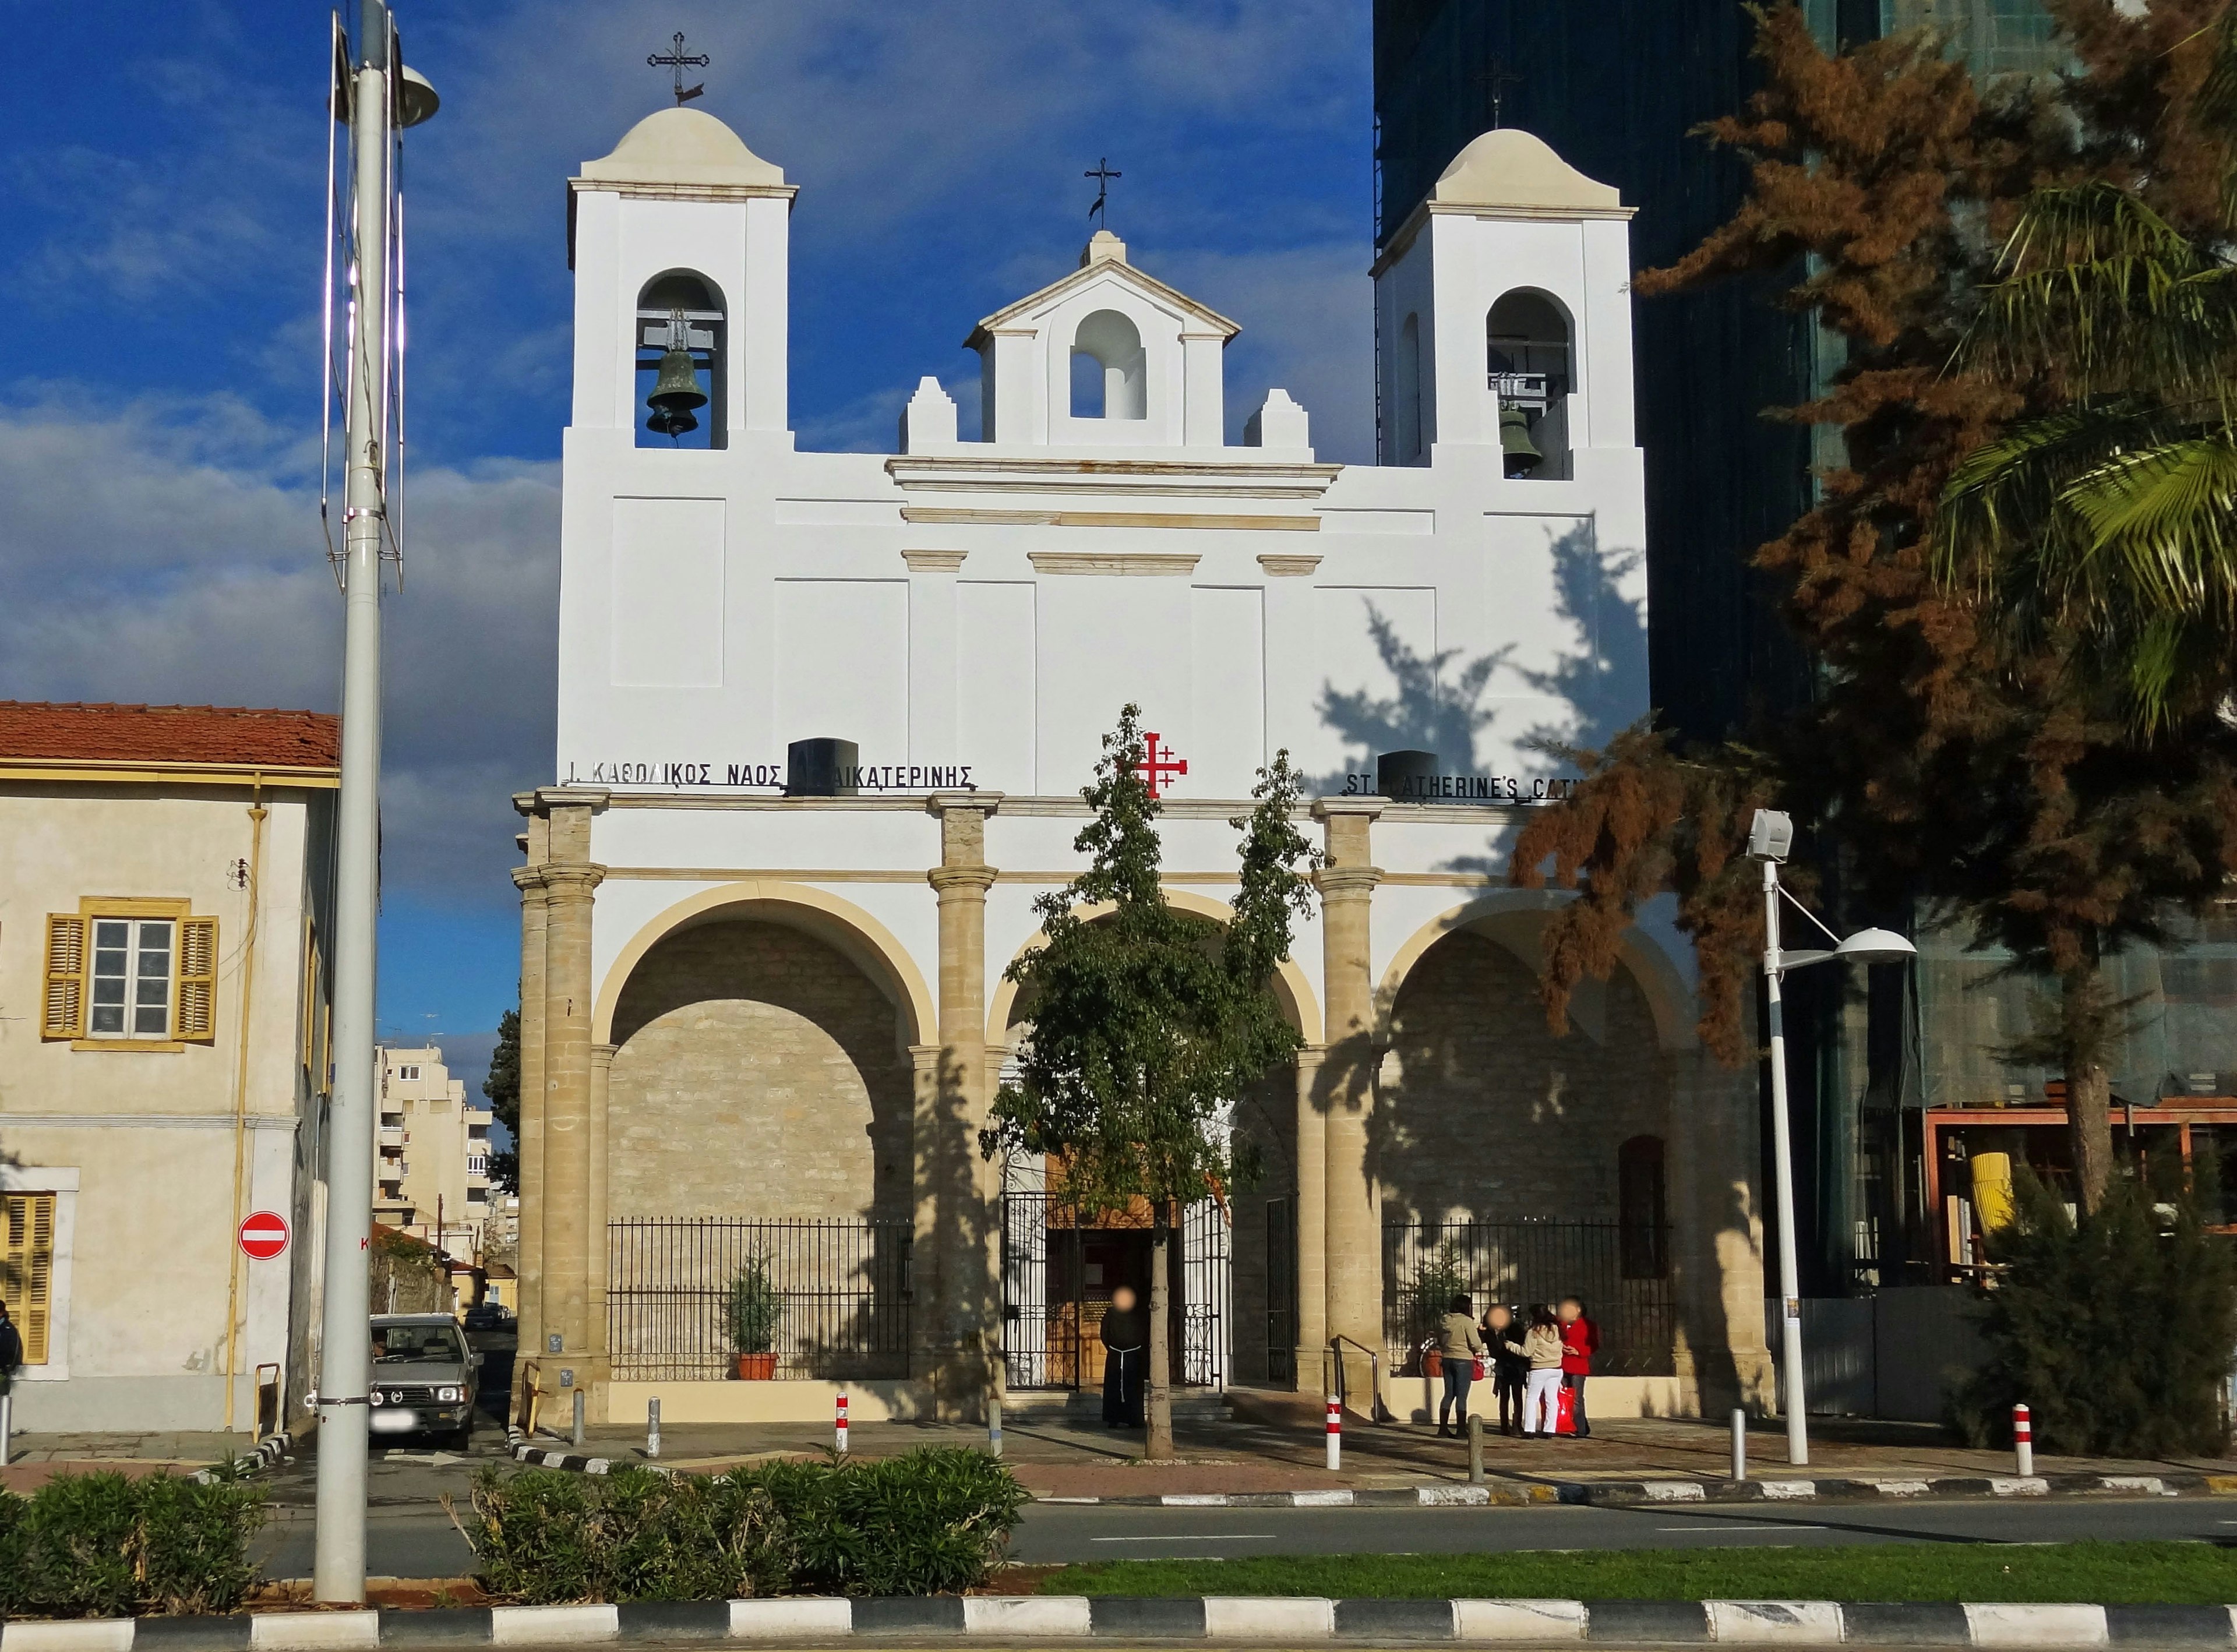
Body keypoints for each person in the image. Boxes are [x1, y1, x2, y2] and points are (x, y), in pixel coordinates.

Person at [1435, 1293, 1484, 1438]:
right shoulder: (1466, 1322)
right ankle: (1461, 1430)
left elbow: (1439, 1339)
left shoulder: (1444, 1320)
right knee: (1462, 1396)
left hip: (1447, 1358)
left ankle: (1443, 1428)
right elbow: (1476, 1344)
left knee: (1448, 1394)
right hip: (1463, 1359)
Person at [1100, 1284, 1145, 1428]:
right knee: (1114, 1388)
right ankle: (1113, 1418)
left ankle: (1134, 1419)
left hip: (1133, 1356)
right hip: (1116, 1356)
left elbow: (1144, 1334)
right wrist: (1113, 1348)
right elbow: (1105, 1334)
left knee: (1133, 1388)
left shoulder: (1138, 1314)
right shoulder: (1110, 1314)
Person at [1480, 1303, 1528, 1436]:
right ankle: (1504, 1426)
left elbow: (1522, 1346)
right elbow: (1484, 1345)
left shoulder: (1515, 1328)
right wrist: (1481, 1331)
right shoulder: (1490, 1331)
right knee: (1504, 1397)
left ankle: (1517, 1425)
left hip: (1516, 1365)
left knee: (1517, 1397)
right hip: (1502, 1367)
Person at [1557, 1296, 1601, 1439]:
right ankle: (1569, 1424)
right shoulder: (1561, 1324)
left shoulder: (1589, 1325)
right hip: (1563, 1364)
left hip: (1578, 1365)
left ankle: (1580, 1429)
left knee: (1577, 1398)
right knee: (1565, 1396)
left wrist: (1579, 1351)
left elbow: (1594, 1345)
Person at [1519, 1303, 1564, 1438]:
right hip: (1556, 1368)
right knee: (1552, 1400)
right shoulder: (1558, 1330)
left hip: (1539, 1368)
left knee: (1532, 1398)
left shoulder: (1534, 1332)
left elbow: (1526, 1352)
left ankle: (1529, 1430)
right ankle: (1550, 1430)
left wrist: (1510, 1346)